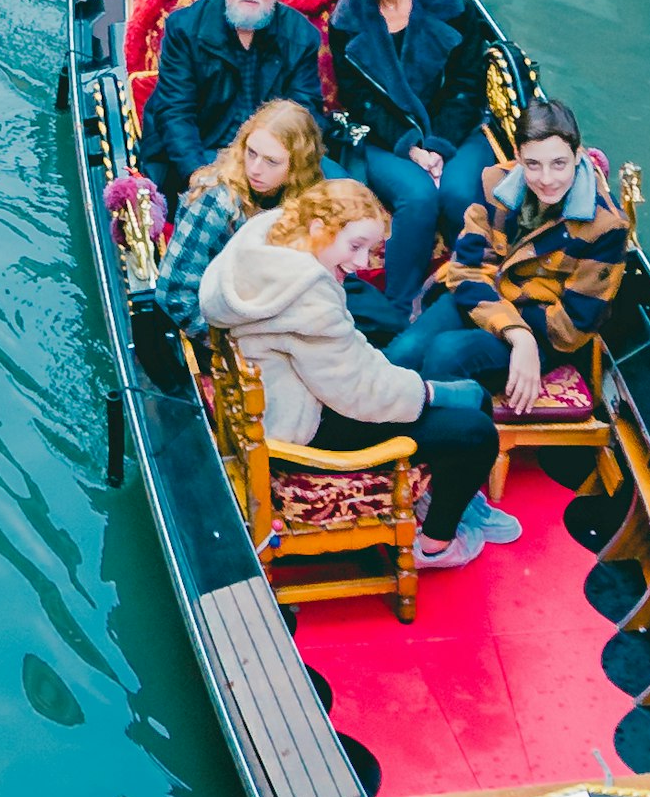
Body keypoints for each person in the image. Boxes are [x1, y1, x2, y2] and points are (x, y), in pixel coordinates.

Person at [195, 177, 519, 559]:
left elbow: (341, 360)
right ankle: (435, 545)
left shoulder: (268, 246)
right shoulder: (307, 294)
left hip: (286, 405)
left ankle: (451, 495)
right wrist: (429, 392)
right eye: (355, 246)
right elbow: (359, 394)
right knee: (477, 428)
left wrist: (419, 386)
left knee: (458, 393)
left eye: (370, 249)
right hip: (304, 433)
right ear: (318, 228)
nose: (363, 263)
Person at [321, 0, 494, 332]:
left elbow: (468, 86)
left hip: (457, 130)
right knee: (417, 198)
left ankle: (469, 294)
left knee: (457, 195)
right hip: (385, 138)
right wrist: (410, 146)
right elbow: (360, 100)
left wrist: (438, 146)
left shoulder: (452, 7)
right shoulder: (348, 20)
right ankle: (398, 312)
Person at [140, 0, 323, 207]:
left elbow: (304, 113)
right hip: (203, 149)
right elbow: (175, 112)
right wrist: (200, 174)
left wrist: (283, 170)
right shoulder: (185, 29)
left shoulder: (301, 36)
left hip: (271, 159)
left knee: (334, 196)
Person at [141, 93, 321, 351]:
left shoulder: (304, 196)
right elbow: (174, 295)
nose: (255, 169)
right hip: (223, 326)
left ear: (296, 168)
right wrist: (230, 346)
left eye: (271, 161)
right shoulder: (216, 201)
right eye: (251, 153)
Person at [474, 95, 639, 363]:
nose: (547, 180)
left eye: (558, 164)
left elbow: (571, 329)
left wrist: (514, 325)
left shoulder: (607, 227)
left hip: (543, 336)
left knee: (449, 354)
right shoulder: (494, 181)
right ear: (518, 156)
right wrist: (508, 324)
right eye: (533, 164)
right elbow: (466, 267)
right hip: (487, 303)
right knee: (409, 349)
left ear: (577, 155)